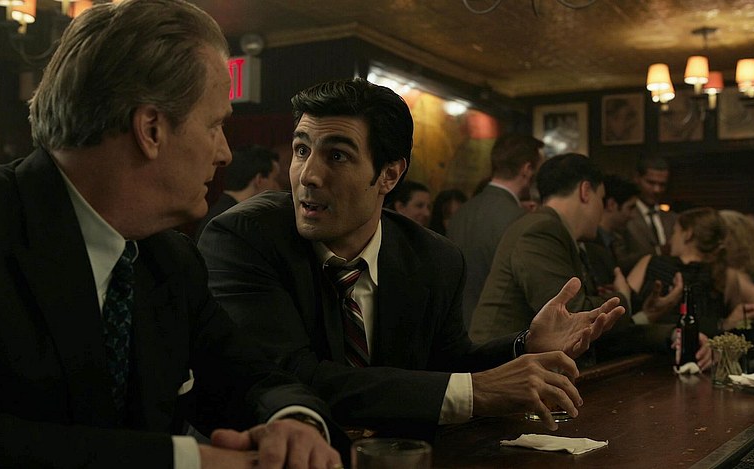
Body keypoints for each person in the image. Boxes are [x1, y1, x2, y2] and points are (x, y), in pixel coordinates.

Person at [0, 1, 344, 467]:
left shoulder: (171, 259)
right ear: (151, 129)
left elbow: (249, 377)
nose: (226, 153)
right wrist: (191, 462)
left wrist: (294, 422)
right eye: (215, 125)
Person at [200, 78, 625, 438]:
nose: (308, 175)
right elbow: (293, 376)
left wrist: (524, 345)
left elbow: (446, 365)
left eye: (337, 155)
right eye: (300, 150)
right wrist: (476, 392)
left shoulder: (433, 258)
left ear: (389, 174)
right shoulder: (244, 238)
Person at [469, 153, 630, 342]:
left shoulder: (552, 228)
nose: (601, 210)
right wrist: (623, 297)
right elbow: (570, 317)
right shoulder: (541, 230)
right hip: (504, 358)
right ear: (585, 191)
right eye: (601, 198)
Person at [447, 134, 545, 325]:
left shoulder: (461, 212)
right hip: (500, 331)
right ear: (527, 169)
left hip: (458, 327)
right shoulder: (521, 220)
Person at [627, 207, 754, 334]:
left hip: (650, 347)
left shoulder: (650, 262)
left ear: (688, 234)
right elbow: (737, 326)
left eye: (674, 232)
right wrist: (723, 325)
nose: (670, 241)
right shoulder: (727, 274)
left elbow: (625, 310)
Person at [194, 144, 281, 238]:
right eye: (275, 179)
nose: (278, 187)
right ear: (259, 180)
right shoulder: (232, 221)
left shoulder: (223, 213)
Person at [618, 155, 677, 272]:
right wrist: (658, 251)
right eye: (651, 183)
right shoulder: (625, 217)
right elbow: (620, 261)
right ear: (637, 179)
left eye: (662, 185)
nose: (657, 190)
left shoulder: (673, 219)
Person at [584, 174, 639, 290]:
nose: (633, 215)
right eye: (630, 208)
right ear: (611, 204)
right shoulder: (591, 241)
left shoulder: (610, 240)